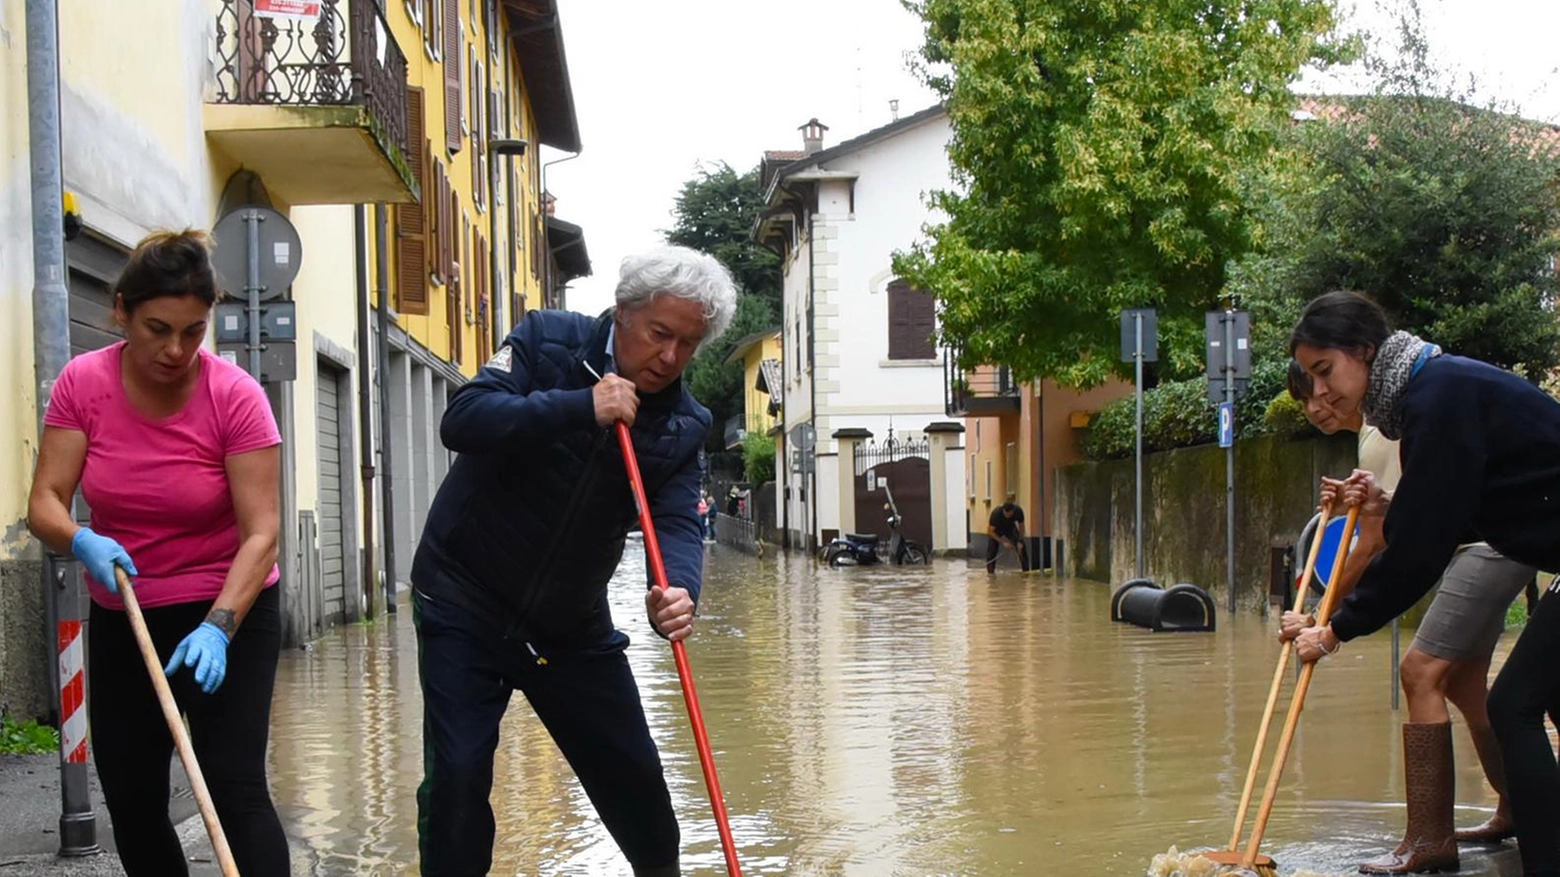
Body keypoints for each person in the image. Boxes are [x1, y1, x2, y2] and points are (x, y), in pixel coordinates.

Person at [410, 245, 737, 877]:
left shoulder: (684, 424)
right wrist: (580, 405)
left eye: (687, 345)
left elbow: (674, 519)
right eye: (660, 334)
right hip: (463, 599)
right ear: (622, 313)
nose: (670, 358)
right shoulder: (546, 341)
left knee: (641, 793)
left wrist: (677, 591)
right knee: (457, 779)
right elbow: (465, 418)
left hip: (569, 625)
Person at [26, 230, 289, 877]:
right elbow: (46, 502)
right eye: (158, 328)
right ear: (121, 311)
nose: (176, 349)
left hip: (231, 607)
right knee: (135, 796)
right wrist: (79, 537)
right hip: (128, 606)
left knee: (232, 784)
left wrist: (218, 627)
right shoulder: (82, 385)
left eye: (194, 331)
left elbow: (263, 532)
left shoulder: (235, 397)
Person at [1285, 290, 1560, 877]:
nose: (1320, 392)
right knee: (1535, 696)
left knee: (1512, 704)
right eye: (1312, 378)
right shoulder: (1428, 396)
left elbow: (1420, 548)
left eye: (1324, 370)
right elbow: (1444, 509)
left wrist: (1336, 628)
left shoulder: (1437, 397)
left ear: (1364, 351)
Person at [985, 500, 1029, 573]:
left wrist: (1020, 541)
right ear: (1003, 511)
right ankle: (991, 573)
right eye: (1007, 514)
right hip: (997, 530)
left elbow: (1022, 527)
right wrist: (1003, 542)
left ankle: (1026, 571)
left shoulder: (1018, 511)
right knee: (992, 551)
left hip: (1010, 528)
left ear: (1013, 511)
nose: (1008, 516)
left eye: (1010, 514)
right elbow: (990, 532)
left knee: (1022, 548)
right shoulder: (996, 514)